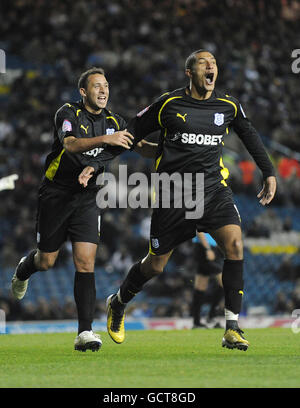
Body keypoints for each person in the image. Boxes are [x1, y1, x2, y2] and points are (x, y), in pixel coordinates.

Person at [105, 49, 277, 351]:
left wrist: (269, 172)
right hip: (174, 192)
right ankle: (118, 302)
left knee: (235, 244)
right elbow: (131, 131)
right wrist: (98, 163)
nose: (211, 66)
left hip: (213, 189)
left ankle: (232, 327)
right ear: (189, 72)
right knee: (156, 266)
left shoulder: (228, 106)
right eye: (203, 63)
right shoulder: (169, 103)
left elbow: (249, 135)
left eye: (214, 62)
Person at [11, 67, 136, 352]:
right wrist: (107, 140)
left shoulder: (114, 120)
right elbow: (70, 145)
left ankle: (85, 333)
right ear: (83, 91)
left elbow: (124, 146)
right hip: (56, 194)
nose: (104, 90)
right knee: (47, 262)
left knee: (86, 261)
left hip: (88, 197)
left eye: (106, 86)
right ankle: (23, 269)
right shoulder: (67, 113)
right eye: (97, 86)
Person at [190, 231, 224, 329]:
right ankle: (211, 316)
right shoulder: (200, 215)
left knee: (200, 286)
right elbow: (198, 229)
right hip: (203, 247)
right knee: (224, 281)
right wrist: (207, 248)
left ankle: (196, 322)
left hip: (211, 247)